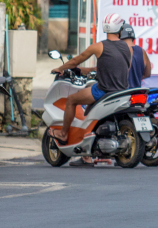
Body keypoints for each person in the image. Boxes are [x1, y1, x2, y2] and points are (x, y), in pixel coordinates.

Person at [47, 14, 132, 166]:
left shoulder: (98, 46)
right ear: (119, 28)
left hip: (104, 91)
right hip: (122, 91)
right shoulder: (127, 47)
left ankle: (63, 133)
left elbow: (74, 61)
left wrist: (60, 68)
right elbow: (125, 67)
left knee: (72, 100)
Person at [120, 24, 152, 88]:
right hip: (136, 92)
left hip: (120, 93)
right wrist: (136, 78)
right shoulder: (142, 51)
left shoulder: (118, 50)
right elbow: (148, 74)